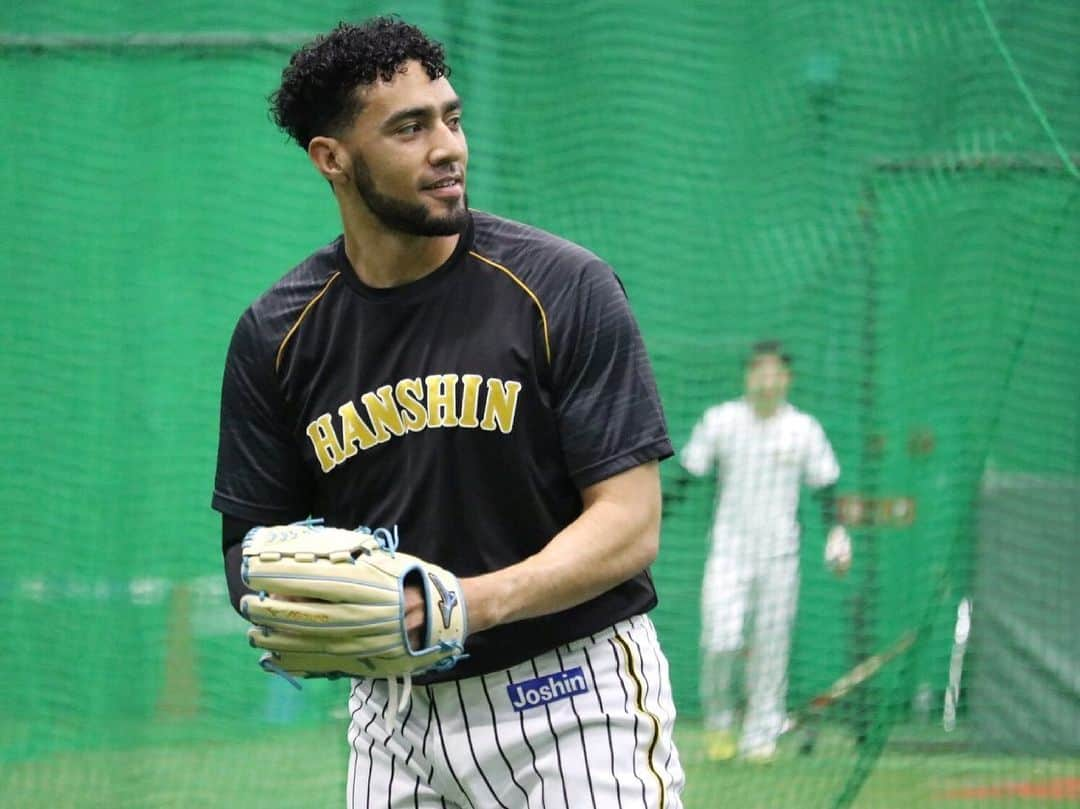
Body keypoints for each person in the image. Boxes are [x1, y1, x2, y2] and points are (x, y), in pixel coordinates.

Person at [212, 17, 684, 809]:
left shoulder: (563, 287)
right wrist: (310, 606)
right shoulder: (277, 333)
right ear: (332, 158)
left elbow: (632, 523)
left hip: (570, 701)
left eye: (451, 118)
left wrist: (465, 602)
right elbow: (249, 551)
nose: (448, 148)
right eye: (409, 127)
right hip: (392, 720)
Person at [665, 340, 851, 763]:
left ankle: (760, 735)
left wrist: (836, 534)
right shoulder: (722, 422)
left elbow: (825, 486)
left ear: (787, 379)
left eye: (774, 372)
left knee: (771, 648)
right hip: (728, 554)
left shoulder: (803, 429)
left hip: (780, 558)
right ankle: (719, 725)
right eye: (758, 371)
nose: (766, 380)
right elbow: (687, 476)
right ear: (747, 376)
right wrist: (652, 519)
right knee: (721, 639)